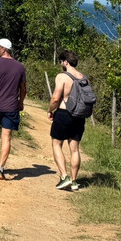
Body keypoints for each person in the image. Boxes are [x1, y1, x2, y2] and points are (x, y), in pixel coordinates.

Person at [0, 38, 26, 180]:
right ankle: (1, 169)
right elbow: (23, 88)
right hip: (11, 107)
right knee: (6, 137)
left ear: (3, 49)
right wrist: (21, 102)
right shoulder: (20, 67)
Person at [47, 49, 86, 190]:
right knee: (74, 149)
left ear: (66, 62)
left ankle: (64, 177)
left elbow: (55, 98)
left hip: (64, 113)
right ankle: (74, 181)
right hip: (79, 116)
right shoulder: (83, 77)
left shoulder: (62, 77)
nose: (61, 64)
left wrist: (50, 110)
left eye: (61, 61)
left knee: (56, 144)